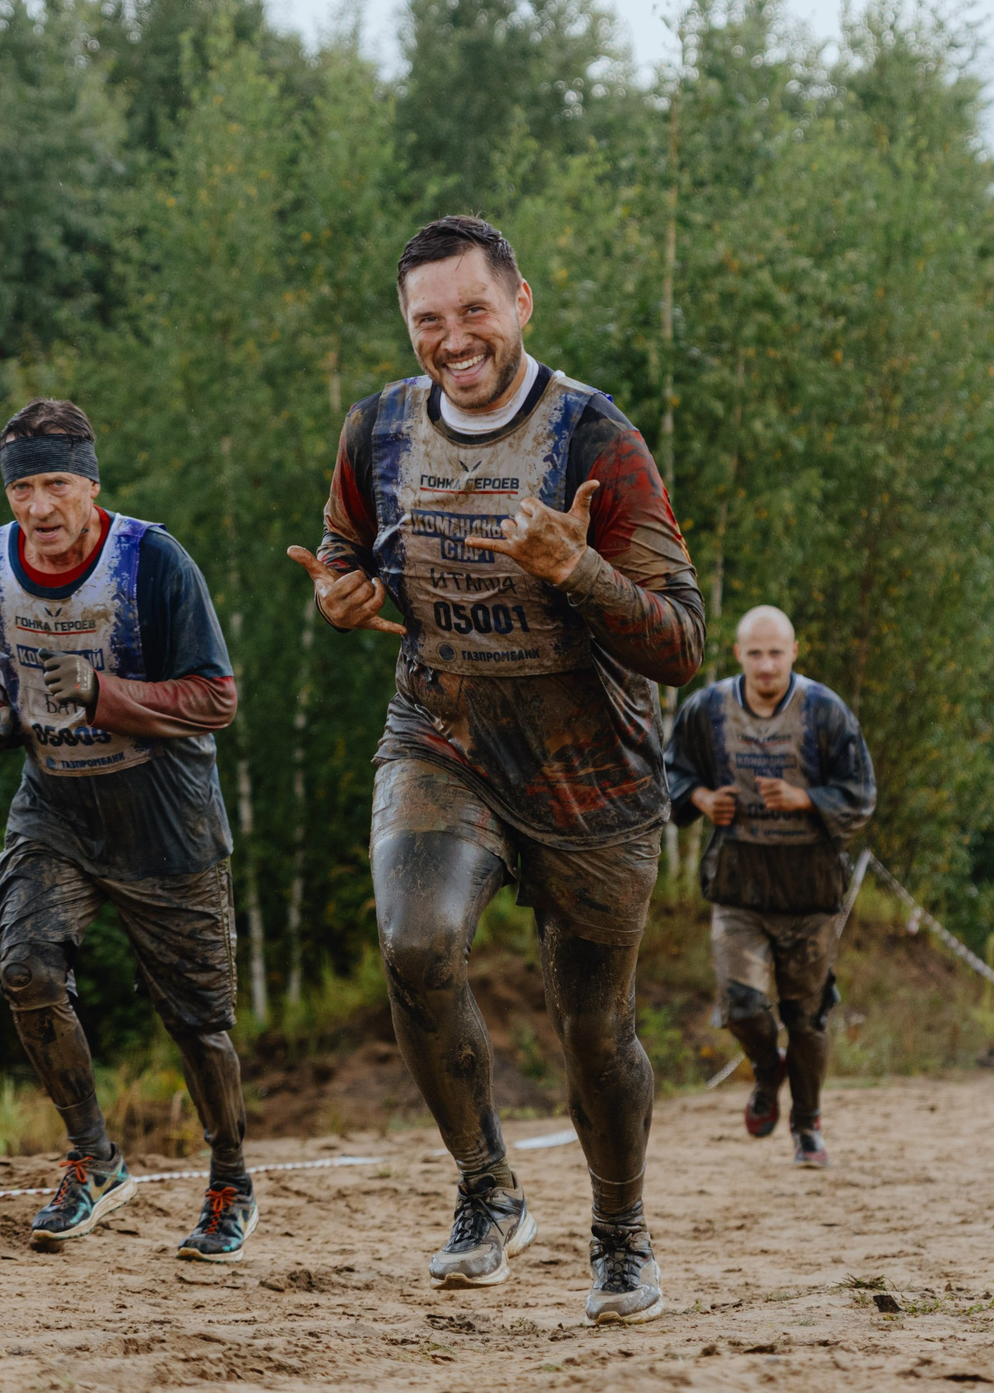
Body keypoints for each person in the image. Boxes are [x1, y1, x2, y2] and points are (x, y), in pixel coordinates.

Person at [288, 214, 703, 1325]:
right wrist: (339, 596)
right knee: (414, 943)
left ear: (521, 303)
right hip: (444, 737)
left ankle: (620, 1234)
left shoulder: (593, 439)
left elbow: (679, 640)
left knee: (593, 1029)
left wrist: (579, 570)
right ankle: (488, 1191)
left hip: (591, 771)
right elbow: (343, 554)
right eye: (429, 320)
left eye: (473, 310)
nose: (453, 337)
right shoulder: (376, 428)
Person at [0, 400, 256, 1259]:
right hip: (57, 809)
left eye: (55, 484)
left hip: (165, 814)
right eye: (22, 488)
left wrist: (103, 695)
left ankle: (229, 1177)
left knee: (196, 1018)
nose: (39, 508)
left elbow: (217, 697)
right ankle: (94, 1159)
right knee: (25, 965)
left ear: (91, 483)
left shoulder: (152, 562)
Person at [666, 606, 877, 1170]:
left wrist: (806, 798)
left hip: (810, 891)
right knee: (741, 1006)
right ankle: (766, 1070)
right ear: (738, 654)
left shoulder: (826, 711)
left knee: (806, 1016)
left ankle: (807, 1127)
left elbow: (862, 793)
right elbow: (667, 774)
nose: (765, 665)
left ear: (794, 653)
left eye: (775, 653)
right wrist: (702, 800)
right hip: (739, 884)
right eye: (754, 653)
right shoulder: (706, 709)